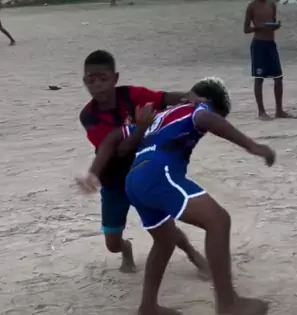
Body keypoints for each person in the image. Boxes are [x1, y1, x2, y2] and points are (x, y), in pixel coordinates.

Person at [118, 78, 275, 315]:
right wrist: (252, 146)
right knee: (218, 221)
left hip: (134, 179)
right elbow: (204, 118)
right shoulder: (197, 107)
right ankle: (227, 302)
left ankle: (147, 307)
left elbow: (123, 142)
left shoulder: (160, 116)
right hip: (158, 172)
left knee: (165, 241)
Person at [78, 50, 207, 275]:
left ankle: (194, 255)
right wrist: (141, 127)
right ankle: (125, 249)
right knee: (112, 243)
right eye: (91, 79)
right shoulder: (88, 116)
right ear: (84, 81)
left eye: (103, 78)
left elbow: (164, 98)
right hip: (113, 181)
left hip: (143, 174)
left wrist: (189, 96)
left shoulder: (131, 95)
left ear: (115, 79)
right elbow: (119, 150)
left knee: (164, 227)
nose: (97, 85)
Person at [244, 0, 290, 120]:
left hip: (271, 44)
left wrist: (276, 26)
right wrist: (258, 27)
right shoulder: (252, 7)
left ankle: (279, 110)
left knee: (278, 77)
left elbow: (272, 24)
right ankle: (261, 112)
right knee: (259, 78)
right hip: (258, 44)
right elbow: (246, 29)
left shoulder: (272, 6)